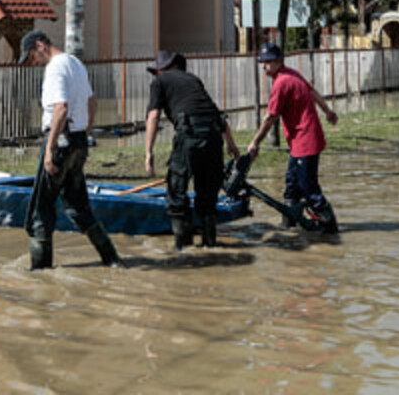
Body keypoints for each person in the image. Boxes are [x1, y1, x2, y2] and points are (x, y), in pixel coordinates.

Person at [19, 29, 122, 271]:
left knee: (40, 211)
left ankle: (40, 273)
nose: (33, 62)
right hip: (77, 142)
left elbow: (61, 109)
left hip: (61, 143)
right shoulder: (75, 63)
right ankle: (112, 260)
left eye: (32, 56)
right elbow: (92, 102)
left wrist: (49, 150)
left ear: (40, 45)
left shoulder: (55, 68)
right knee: (78, 207)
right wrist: (85, 134)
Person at [143, 50, 241, 249]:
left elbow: (153, 117)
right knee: (207, 197)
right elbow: (216, 114)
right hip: (214, 138)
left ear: (161, 70)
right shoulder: (193, 79)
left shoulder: (159, 82)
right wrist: (231, 144)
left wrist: (148, 153)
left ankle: (183, 251)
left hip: (190, 136)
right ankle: (209, 245)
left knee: (176, 193)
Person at [245, 43, 339, 232]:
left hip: (306, 141)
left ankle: (330, 227)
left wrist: (255, 142)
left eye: (268, 62)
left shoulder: (281, 83)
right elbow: (312, 92)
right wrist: (328, 111)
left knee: (308, 186)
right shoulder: (291, 74)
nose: (264, 66)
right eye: (262, 62)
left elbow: (270, 118)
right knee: (292, 184)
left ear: (279, 61)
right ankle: (289, 224)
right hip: (301, 141)